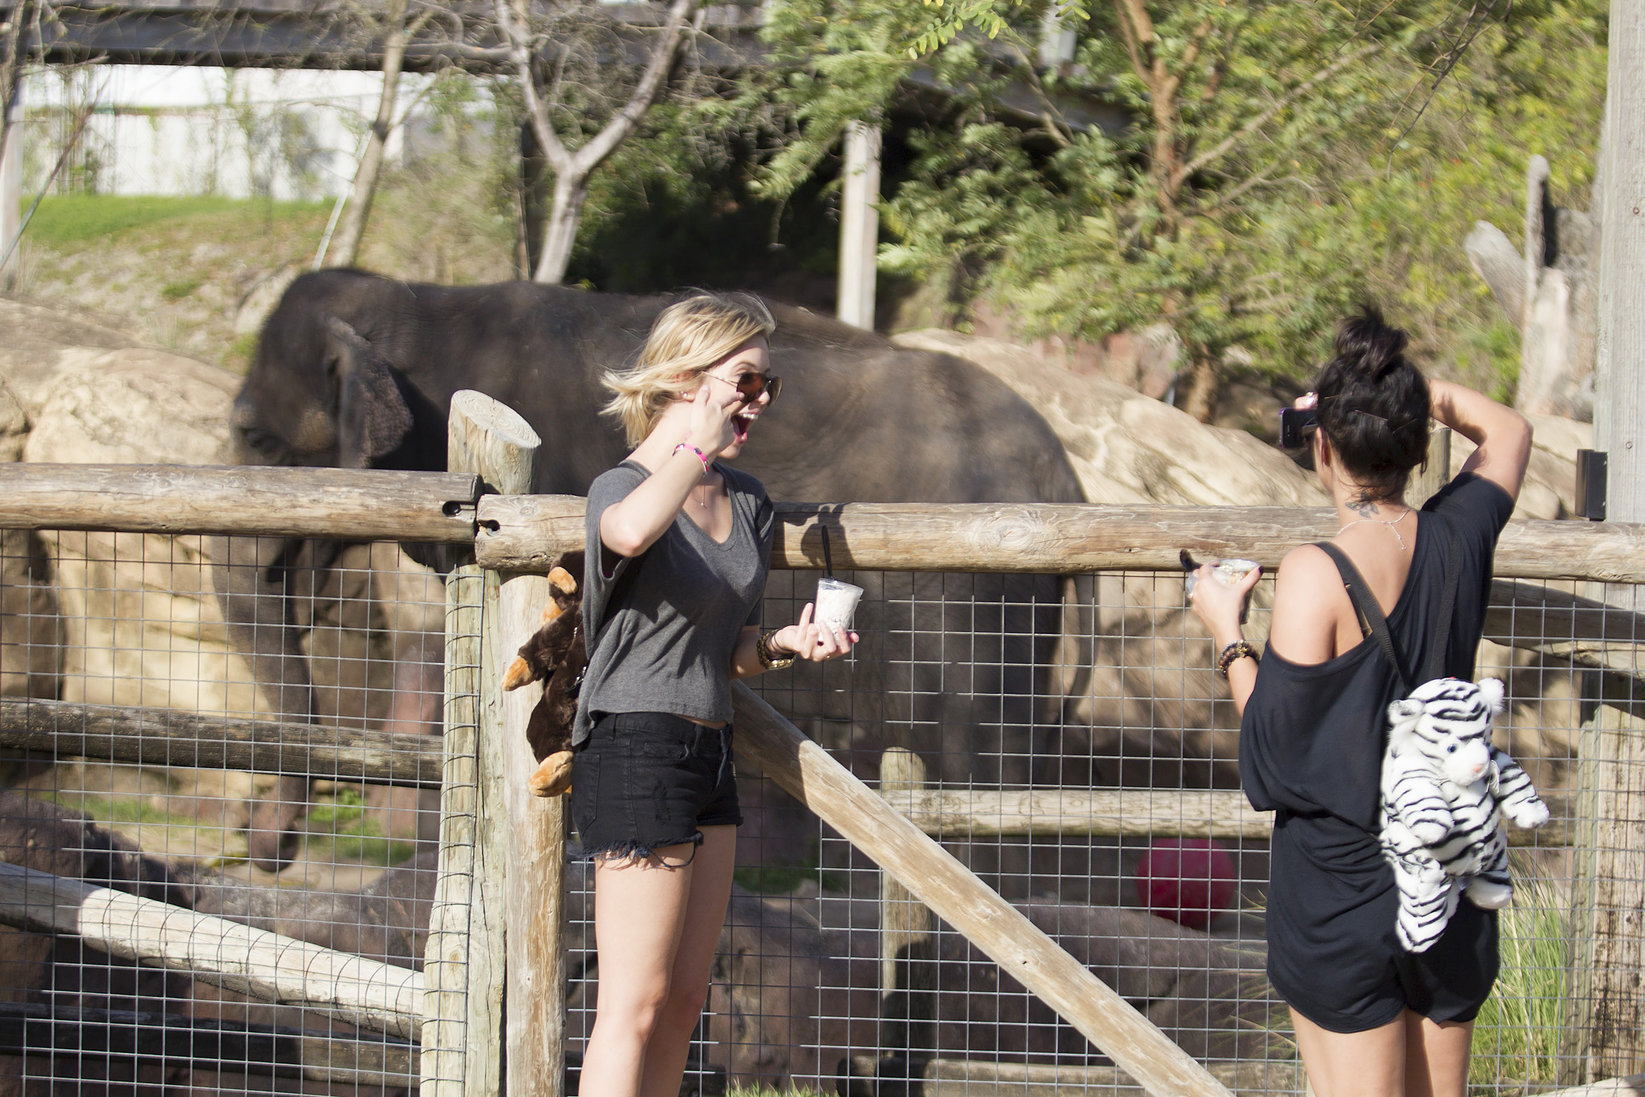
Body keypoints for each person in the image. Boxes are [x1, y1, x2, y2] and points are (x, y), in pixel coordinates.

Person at [1188, 307, 1532, 1097]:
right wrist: (1400, 393)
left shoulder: (1316, 570)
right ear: (1412, 444)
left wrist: (1225, 632)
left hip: (1344, 885)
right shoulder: (1460, 532)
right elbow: (1507, 431)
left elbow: (1272, 755)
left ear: (1321, 444)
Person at [570, 290, 857, 1097]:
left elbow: (716, 647)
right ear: (686, 377)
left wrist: (779, 644)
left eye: (768, 386)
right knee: (633, 1001)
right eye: (745, 381)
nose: (757, 402)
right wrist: (692, 450)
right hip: (634, 743)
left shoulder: (750, 501)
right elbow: (626, 533)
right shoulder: (619, 486)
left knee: (685, 999)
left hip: (709, 745)